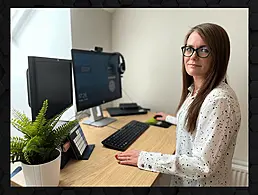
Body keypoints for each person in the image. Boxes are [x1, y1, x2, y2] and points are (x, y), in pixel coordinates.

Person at [115, 23, 241, 187]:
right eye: (189, 49)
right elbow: (200, 124)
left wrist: (145, 158)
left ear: (219, 56)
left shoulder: (219, 100)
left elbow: (202, 165)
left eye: (203, 50)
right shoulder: (196, 91)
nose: (192, 56)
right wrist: (170, 118)